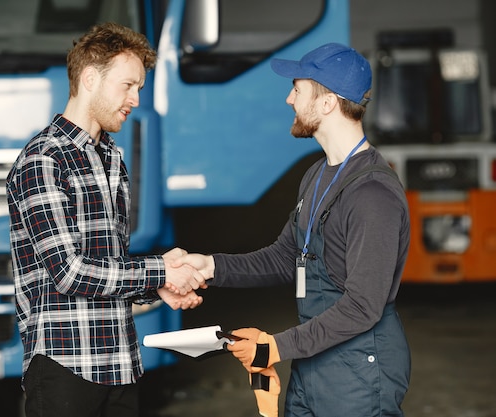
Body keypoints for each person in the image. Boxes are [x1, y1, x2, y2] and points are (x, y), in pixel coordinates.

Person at [175, 43, 411, 417]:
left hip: (360, 374)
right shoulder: (317, 175)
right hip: (313, 361)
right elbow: (287, 257)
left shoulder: (372, 195)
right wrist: (210, 267)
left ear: (328, 102)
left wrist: (273, 347)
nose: (288, 99)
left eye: (298, 89)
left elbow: (364, 306)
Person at [6, 22, 205, 417]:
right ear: (91, 78)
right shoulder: (43, 160)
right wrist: (160, 272)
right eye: (128, 85)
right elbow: (69, 272)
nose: (135, 99)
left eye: (139, 89)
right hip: (66, 366)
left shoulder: (111, 157)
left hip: (120, 363)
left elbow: (107, 266)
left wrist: (154, 290)